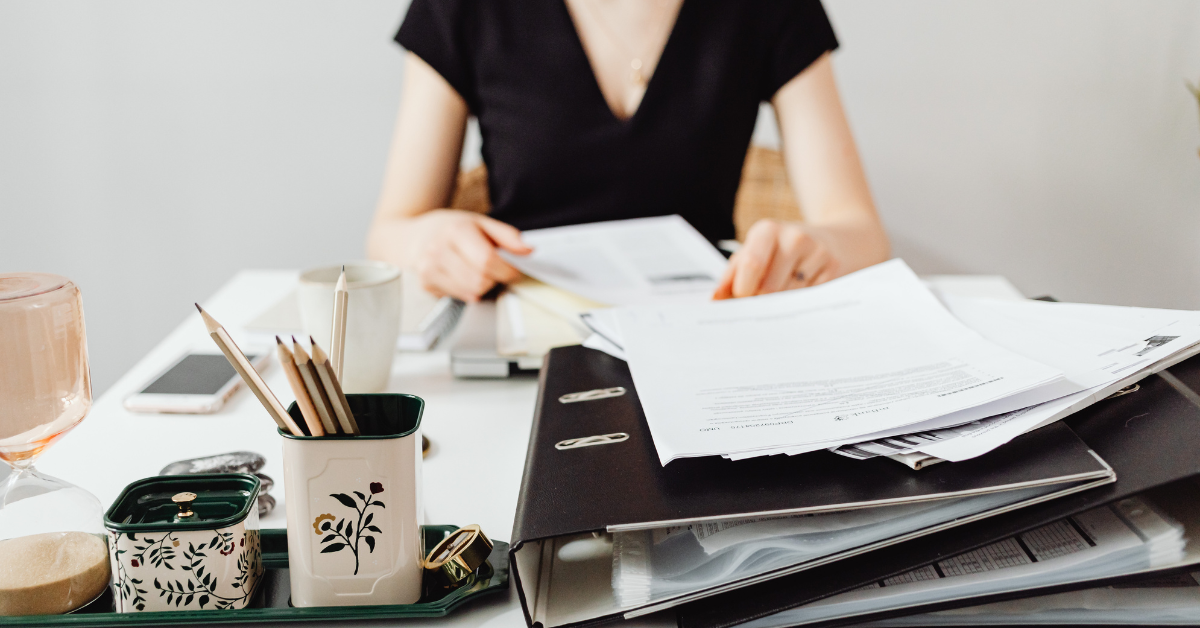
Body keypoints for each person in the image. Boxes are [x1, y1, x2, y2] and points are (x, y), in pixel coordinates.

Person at [368, 0, 889, 303]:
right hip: (524, 332)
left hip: (705, 326)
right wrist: (428, 241)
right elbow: (390, 230)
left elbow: (861, 233)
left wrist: (816, 249)